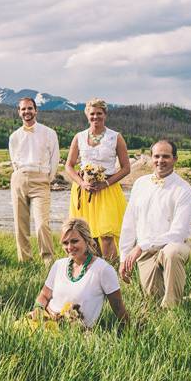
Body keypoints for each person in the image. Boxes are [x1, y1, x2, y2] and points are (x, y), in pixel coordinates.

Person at [119, 140, 191, 308]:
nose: (161, 160)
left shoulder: (184, 189)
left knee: (171, 252)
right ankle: (186, 297)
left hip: (174, 245)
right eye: (157, 156)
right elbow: (129, 222)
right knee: (153, 301)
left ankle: (172, 310)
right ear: (151, 158)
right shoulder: (140, 183)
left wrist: (140, 246)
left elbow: (179, 233)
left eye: (166, 156)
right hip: (146, 252)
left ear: (175, 159)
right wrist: (124, 257)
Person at [64, 98, 130, 262]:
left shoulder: (115, 137)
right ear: (87, 115)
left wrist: (106, 183)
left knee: (106, 235)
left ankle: (112, 272)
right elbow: (69, 166)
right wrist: (82, 183)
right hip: (84, 192)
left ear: (105, 114)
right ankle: (92, 272)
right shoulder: (79, 137)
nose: (95, 117)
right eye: (92, 114)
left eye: (99, 113)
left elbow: (126, 168)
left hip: (107, 190)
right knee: (88, 237)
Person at [31, 218, 128, 328]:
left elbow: (118, 307)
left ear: (87, 240)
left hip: (76, 331)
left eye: (74, 241)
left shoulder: (103, 270)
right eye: (65, 243)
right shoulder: (58, 265)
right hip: (44, 321)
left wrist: (132, 331)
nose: (69, 247)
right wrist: (38, 309)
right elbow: (44, 295)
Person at [8, 98, 59, 265]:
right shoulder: (14, 136)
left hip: (41, 179)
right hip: (19, 179)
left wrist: (47, 179)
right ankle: (25, 262)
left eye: (30, 108)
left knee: (42, 224)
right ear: (19, 112)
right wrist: (20, 176)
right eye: (23, 109)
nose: (26, 112)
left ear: (36, 111)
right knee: (20, 225)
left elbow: (55, 159)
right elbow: (13, 160)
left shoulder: (49, 133)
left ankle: (48, 262)